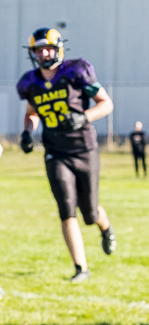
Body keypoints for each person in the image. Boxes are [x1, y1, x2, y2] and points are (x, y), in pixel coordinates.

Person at [16, 28, 117, 282]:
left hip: (84, 149)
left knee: (89, 212)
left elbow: (106, 103)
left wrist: (83, 117)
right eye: (39, 50)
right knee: (66, 209)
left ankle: (105, 228)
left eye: (48, 48)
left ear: (59, 48)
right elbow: (32, 112)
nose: (44, 53)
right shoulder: (32, 82)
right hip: (55, 151)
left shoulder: (76, 71)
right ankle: (81, 268)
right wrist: (27, 131)